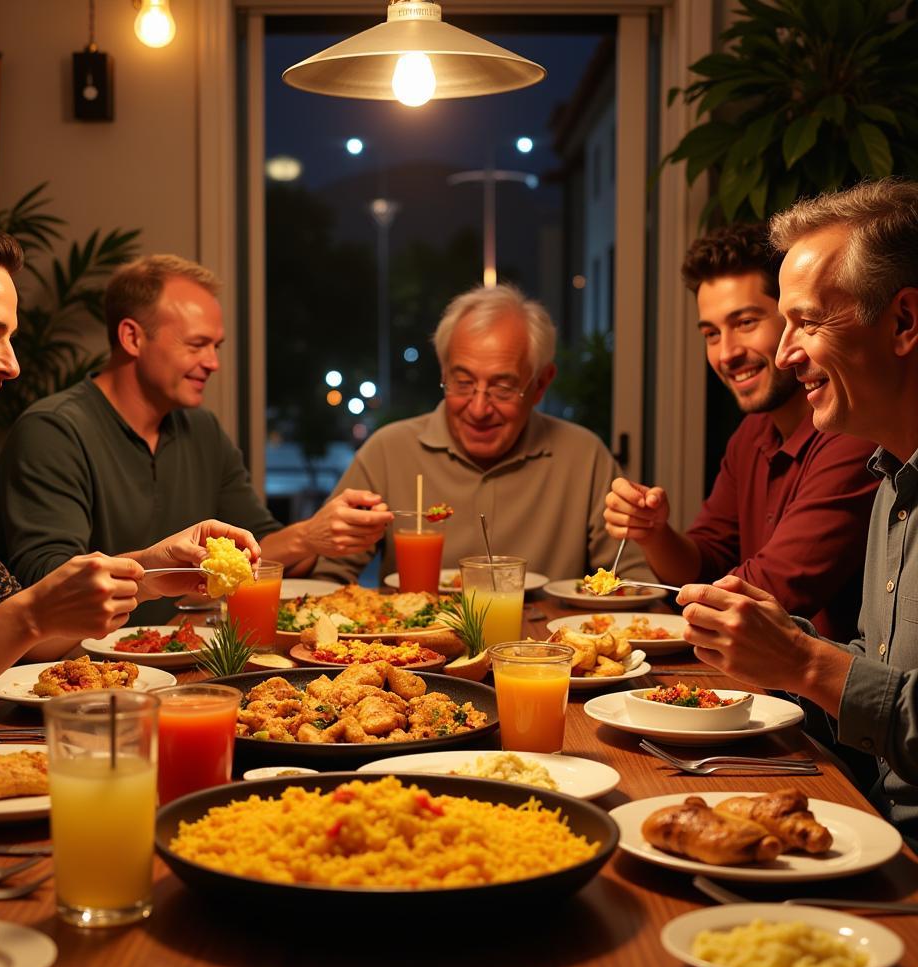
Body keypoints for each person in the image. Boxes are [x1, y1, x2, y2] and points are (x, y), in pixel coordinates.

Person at [0, 214, 259, 753]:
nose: (12, 365)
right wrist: (32, 614)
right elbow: (25, 622)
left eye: (10, 338)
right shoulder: (54, 429)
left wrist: (152, 572)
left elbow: (24, 642)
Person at [679, 179, 918, 842]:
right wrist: (788, 654)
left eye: (807, 322)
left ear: (903, 322)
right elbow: (877, 670)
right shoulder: (894, 482)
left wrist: (802, 663)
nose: (785, 353)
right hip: (867, 819)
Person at [0, 255, 391, 623]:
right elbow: (49, 584)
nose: (213, 363)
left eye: (215, 347)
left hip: (187, 652)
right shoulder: (53, 431)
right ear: (132, 337)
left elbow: (261, 548)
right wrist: (305, 537)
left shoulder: (203, 431)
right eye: (197, 345)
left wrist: (317, 533)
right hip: (79, 674)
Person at [604, 224, 878, 642]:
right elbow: (705, 560)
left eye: (745, 322)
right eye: (711, 334)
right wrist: (652, 533)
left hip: (818, 702)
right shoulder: (752, 432)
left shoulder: (852, 430)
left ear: (792, 321)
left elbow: (768, 592)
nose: (726, 353)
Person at [314, 283, 653, 584]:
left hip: (546, 650)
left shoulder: (584, 456)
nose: (478, 409)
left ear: (540, 385)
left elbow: (631, 583)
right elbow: (329, 577)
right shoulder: (388, 451)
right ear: (443, 373)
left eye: (503, 388)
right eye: (462, 383)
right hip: (417, 650)